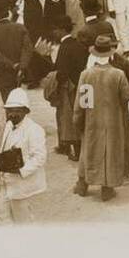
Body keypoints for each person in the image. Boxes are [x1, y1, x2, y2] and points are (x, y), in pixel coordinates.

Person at [73, 34, 129, 201]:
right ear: (109, 53)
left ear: (94, 53)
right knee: (110, 152)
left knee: (88, 150)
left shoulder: (86, 74)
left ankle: (82, 184)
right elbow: (127, 95)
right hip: (113, 121)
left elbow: (83, 103)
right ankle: (107, 188)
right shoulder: (118, 74)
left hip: (92, 120)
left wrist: (78, 120)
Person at [0, 88, 47, 224]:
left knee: (23, 222)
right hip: (4, 182)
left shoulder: (34, 130)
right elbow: (4, 147)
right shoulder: (9, 125)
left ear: (26, 111)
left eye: (16, 110)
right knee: (2, 217)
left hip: (21, 185)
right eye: (9, 110)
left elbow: (40, 157)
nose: (12, 114)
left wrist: (21, 170)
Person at [52, 15, 85, 162]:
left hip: (70, 88)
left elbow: (62, 72)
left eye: (55, 29)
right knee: (84, 117)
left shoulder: (64, 47)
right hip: (84, 86)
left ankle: (76, 152)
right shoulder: (78, 43)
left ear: (60, 30)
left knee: (70, 120)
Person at [0, 6, 32, 101]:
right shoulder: (20, 28)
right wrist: (22, 66)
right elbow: (27, 49)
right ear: (8, 13)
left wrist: (13, 65)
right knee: (19, 102)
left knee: (8, 102)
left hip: (3, 72)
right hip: (20, 73)